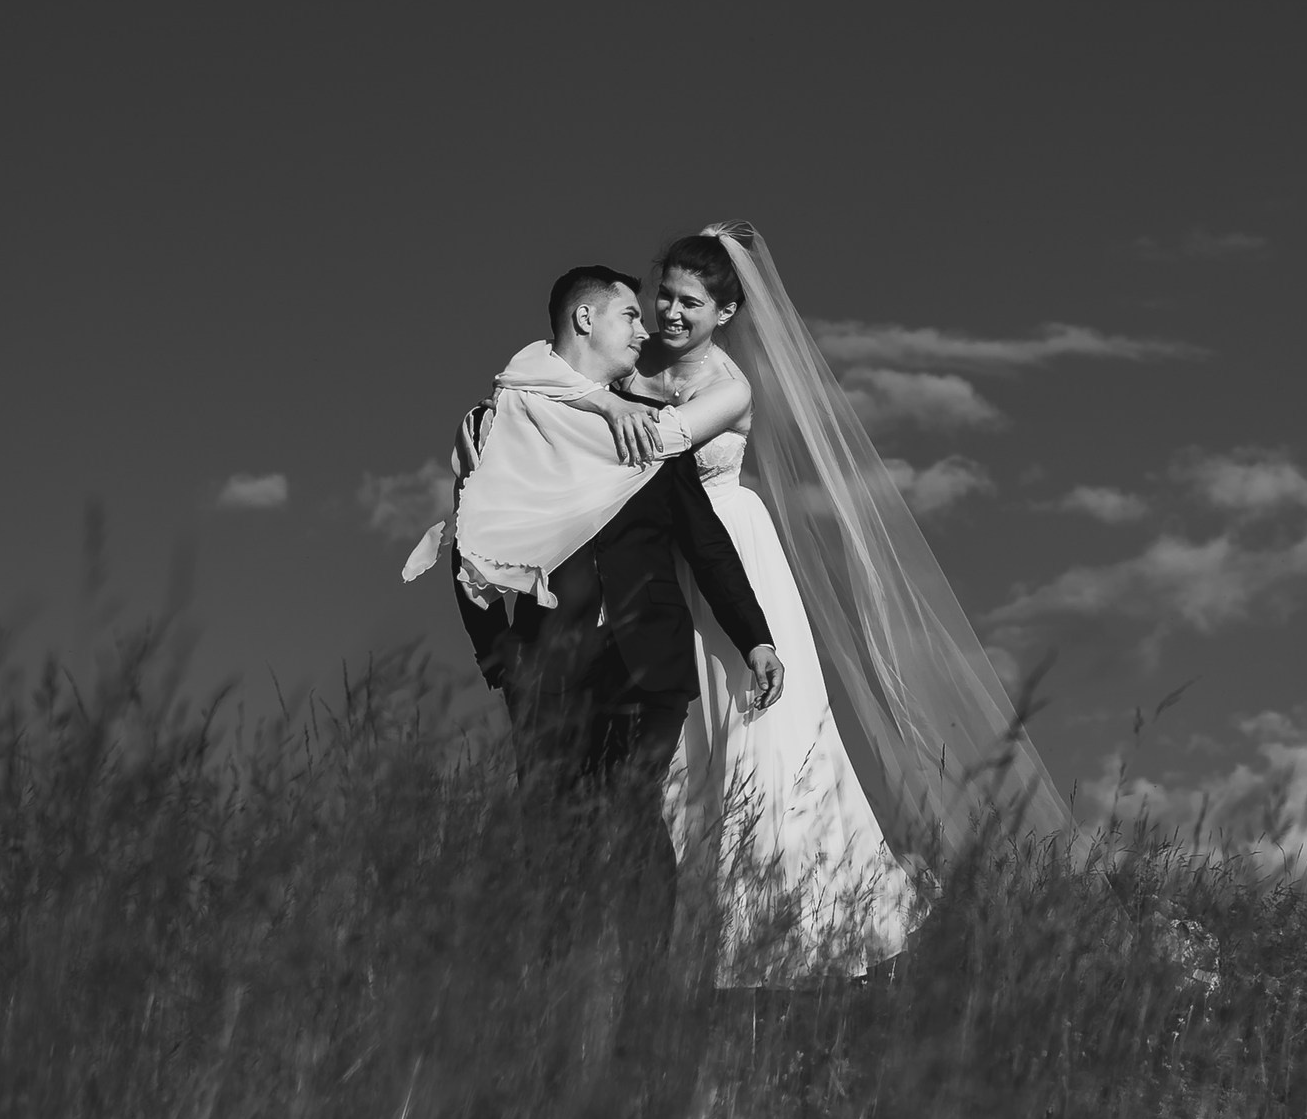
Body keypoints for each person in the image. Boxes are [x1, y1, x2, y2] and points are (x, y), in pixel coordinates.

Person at [626, 224, 1075, 982]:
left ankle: (772, 934)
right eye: (663, 294)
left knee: (753, 734)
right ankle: (678, 933)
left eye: (690, 302)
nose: (670, 311)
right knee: (680, 742)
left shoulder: (727, 384)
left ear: (727, 311)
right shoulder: (639, 364)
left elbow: (658, 442)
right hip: (665, 561)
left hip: (730, 551)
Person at [411, 263, 785, 958]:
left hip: (649, 657)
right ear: (586, 320)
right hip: (552, 663)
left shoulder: (651, 428)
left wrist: (756, 637)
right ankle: (558, 1017)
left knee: (632, 810)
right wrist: (502, 662)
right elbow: (472, 542)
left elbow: (703, 540)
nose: (647, 332)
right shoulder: (502, 423)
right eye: (630, 317)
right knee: (552, 835)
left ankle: (642, 1021)